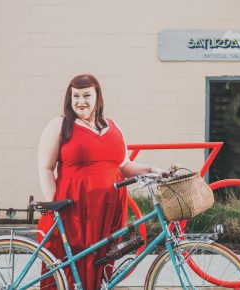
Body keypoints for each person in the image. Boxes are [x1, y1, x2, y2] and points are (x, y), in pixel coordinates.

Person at [37, 74, 165, 290]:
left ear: (98, 97)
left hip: (109, 210)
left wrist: (152, 170)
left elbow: (123, 165)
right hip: (74, 209)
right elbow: (45, 168)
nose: (80, 101)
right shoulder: (60, 125)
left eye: (86, 95)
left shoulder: (113, 126)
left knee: (102, 265)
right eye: (75, 96)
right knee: (71, 267)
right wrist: (54, 207)